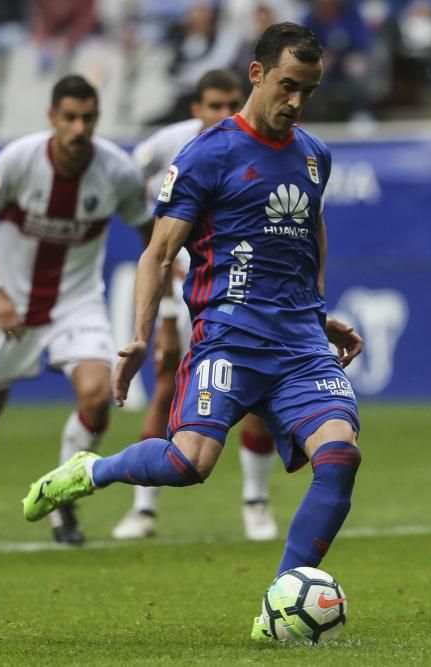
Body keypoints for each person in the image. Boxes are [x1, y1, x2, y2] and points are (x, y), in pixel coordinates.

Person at [21, 23, 364, 640]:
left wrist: (318, 308)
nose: (296, 102)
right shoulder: (209, 152)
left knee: (339, 456)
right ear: (257, 75)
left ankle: (277, 608)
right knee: (189, 462)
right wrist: (139, 335)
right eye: (287, 86)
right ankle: (90, 472)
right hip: (227, 340)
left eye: (307, 91)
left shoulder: (316, 155)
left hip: (299, 345)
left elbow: (308, 232)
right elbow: (157, 254)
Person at [0, 75, 152, 546]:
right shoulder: (19, 159)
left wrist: (173, 272)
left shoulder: (118, 172)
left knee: (96, 397)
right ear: (52, 118)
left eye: (87, 118)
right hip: (9, 304)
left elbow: (150, 230)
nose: (78, 127)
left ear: (97, 119)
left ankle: (62, 502)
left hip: (77, 304)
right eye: (69, 117)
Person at [113, 68, 282, 542]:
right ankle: (143, 510)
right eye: (213, 106)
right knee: (167, 384)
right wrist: (164, 313)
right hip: (185, 295)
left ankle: (256, 503)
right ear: (196, 109)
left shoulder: (264, 146)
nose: (223, 114)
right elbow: (127, 184)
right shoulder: (173, 148)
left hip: (240, 296)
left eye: (232, 103)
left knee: (258, 395)